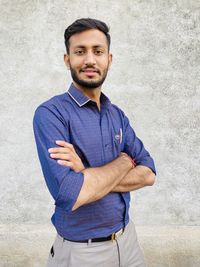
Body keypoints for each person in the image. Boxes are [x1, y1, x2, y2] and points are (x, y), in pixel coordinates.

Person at [33, 18, 156, 267]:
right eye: (80, 51)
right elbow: (71, 194)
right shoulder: (51, 113)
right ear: (67, 59)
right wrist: (124, 161)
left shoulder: (117, 115)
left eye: (98, 51)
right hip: (82, 253)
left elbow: (149, 173)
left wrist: (86, 175)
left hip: (128, 242)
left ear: (108, 59)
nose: (90, 59)